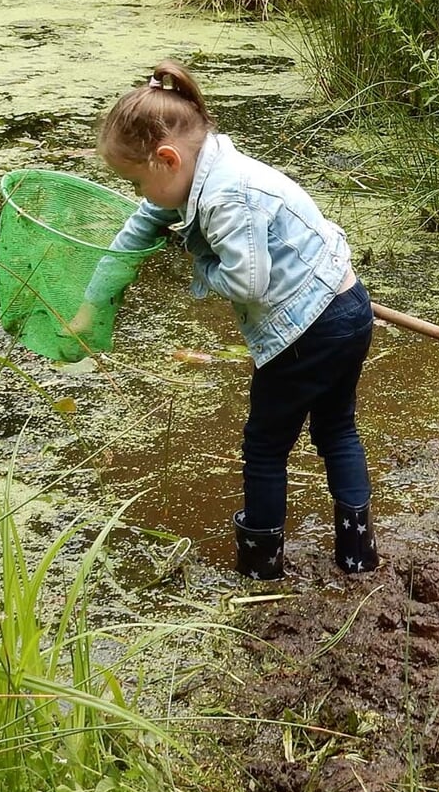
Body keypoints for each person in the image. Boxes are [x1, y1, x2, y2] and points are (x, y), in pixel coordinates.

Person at [89, 61, 378, 577]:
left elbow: (248, 284)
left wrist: (197, 261)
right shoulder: (200, 167)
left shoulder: (226, 197)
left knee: (265, 446)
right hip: (347, 305)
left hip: (307, 329)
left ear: (165, 160)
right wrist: (94, 300)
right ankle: (357, 555)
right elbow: (140, 226)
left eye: (137, 183)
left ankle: (260, 565)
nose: (140, 196)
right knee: (337, 429)